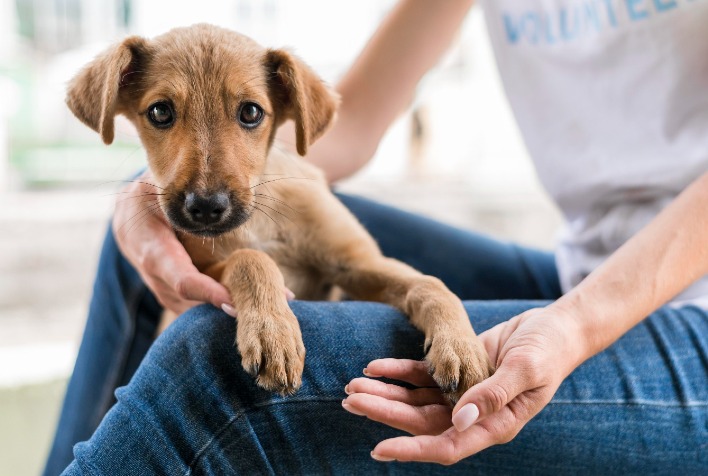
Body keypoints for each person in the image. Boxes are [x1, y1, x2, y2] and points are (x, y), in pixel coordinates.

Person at [45, 0, 708, 474]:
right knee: (142, 227)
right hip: (583, 268)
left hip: (686, 315)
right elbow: (348, 121)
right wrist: (143, 192)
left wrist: (575, 326)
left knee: (210, 359)